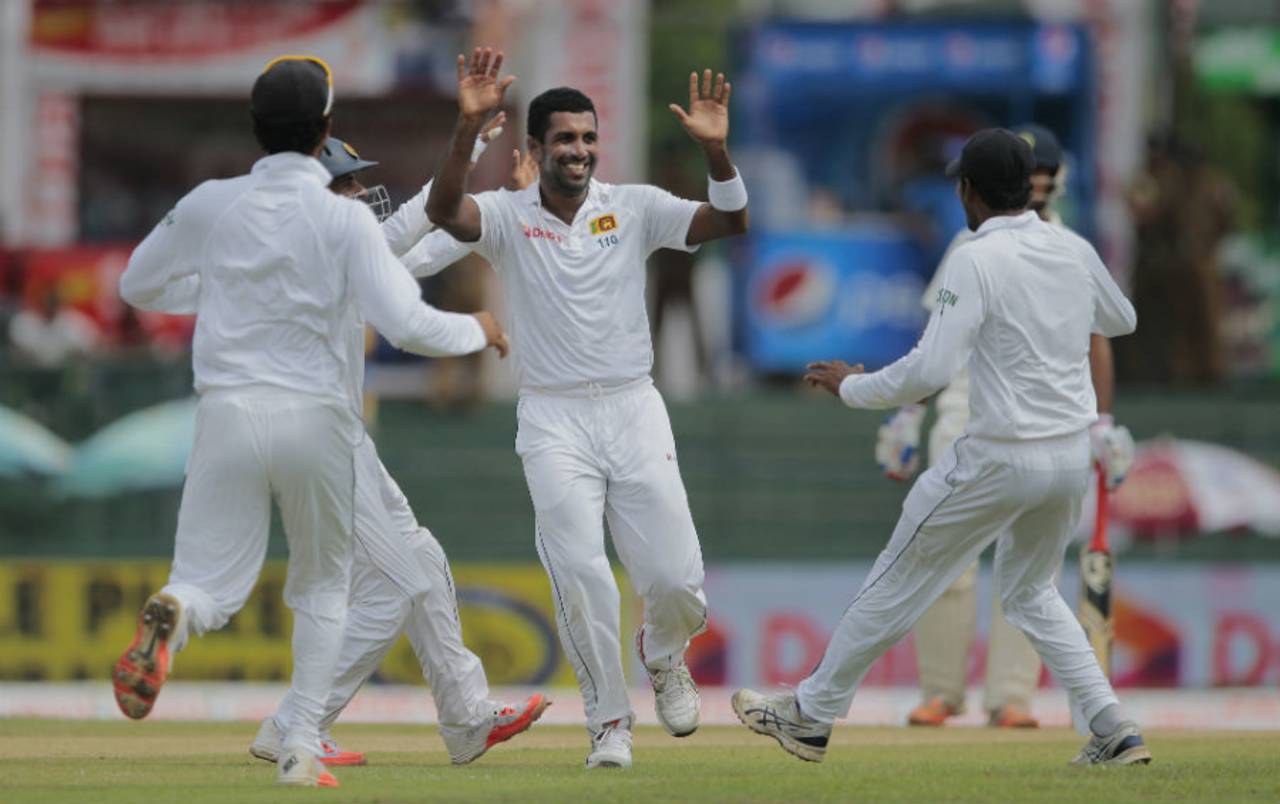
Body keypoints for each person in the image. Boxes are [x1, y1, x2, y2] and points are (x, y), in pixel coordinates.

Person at [112, 55, 508, 788]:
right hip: (319, 422)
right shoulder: (339, 220)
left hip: (227, 411)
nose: (363, 188)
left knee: (207, 580)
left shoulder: (212, 203)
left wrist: (218, 288)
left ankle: (174, 608)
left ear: (256, 129)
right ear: (324, 128)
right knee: (325, 589)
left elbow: (136, 283)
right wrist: (478, 330)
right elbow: (409, 319)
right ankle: (297, 749)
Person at [732, 129, 1150, 768]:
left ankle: (811, 716)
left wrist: (854, 388)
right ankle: (1113, 725)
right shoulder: (1071, 248)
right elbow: (1122, 320)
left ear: (967, 192)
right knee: (1032, 592)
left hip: (997, 457)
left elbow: (931, 371)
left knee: (899, 576)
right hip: (1068, 460)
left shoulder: (974, 258)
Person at [426, 49, 749, 769]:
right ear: (534, 149)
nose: (579, 151)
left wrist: (718, 152)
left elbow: (729, 223)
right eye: (564, 139)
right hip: (553, 419)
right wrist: (466, 127)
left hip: (634, 408)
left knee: (674, 581)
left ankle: (663, 653)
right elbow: (444, 212)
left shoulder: (631, 207)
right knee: (583, 576)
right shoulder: (508, 217)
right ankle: (609, 723)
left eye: (588, 138)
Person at [249, 131, 550, 769]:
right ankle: (296, 722)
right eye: (348, 183)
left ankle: (467, 719)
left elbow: (424, 250)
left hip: (338, 439)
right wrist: (464, 146)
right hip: (315, 443)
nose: (361, 193)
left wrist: (512, 208)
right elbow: (416, 222)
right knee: (398, 584)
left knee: (421, 556)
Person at [876, 124, 1135, 729]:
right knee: (946, 561)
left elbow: (1101, 340)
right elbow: (934, 344)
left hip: (1043, 422)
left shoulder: (1070, 247)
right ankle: (941, 689)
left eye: (1045, 169)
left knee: (1028, 574)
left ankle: (1011, 695)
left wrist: (1103, 421)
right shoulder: (969, 247)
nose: (1038, 179)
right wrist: (909, 415)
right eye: (1030, 169)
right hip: (967, 409)